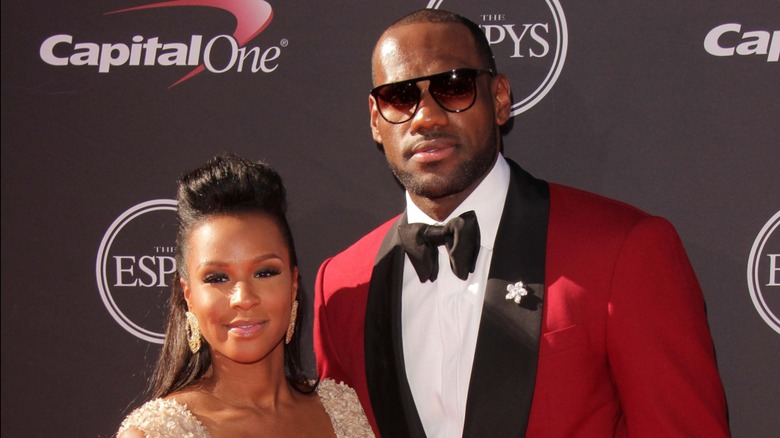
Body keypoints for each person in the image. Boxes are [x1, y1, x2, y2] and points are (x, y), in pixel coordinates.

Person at [313, 8, 730, 438]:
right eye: (399, 97)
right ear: (375, 119)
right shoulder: (342, 287)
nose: (426, 117)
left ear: (499, 98)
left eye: (453, 88)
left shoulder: (622, 250)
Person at [117, 154, 373, 437]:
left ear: (293, 282)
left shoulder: (344, 408)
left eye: (264, 272)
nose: (243, 297)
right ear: (188, 295)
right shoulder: (155, 434)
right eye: (217, 278)